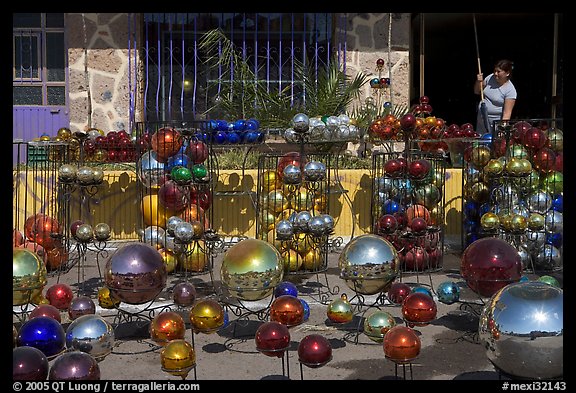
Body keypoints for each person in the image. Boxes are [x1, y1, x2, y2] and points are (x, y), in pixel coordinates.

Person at [474, 59, 517, 134]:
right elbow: (477, 91)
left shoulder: (510, 90)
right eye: (495, 71)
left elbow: (507, 114)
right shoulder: (490, 78)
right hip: (481, 122)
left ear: (507, 73)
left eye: (498, 71)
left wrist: (502, 130)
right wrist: (478, 81)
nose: (495, 73)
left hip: (495, 126)